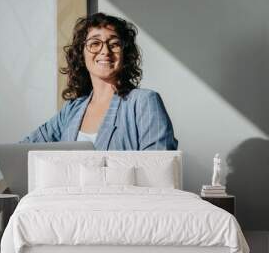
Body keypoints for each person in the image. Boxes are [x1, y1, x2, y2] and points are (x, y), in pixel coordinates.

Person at [21, 13, 178, 150]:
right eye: (95, 43)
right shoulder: (71, 109)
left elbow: (159, 169)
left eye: (114, 44)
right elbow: (24, 149)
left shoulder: (144, 102)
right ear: (81, 54)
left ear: (125, 54)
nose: (105, 51)